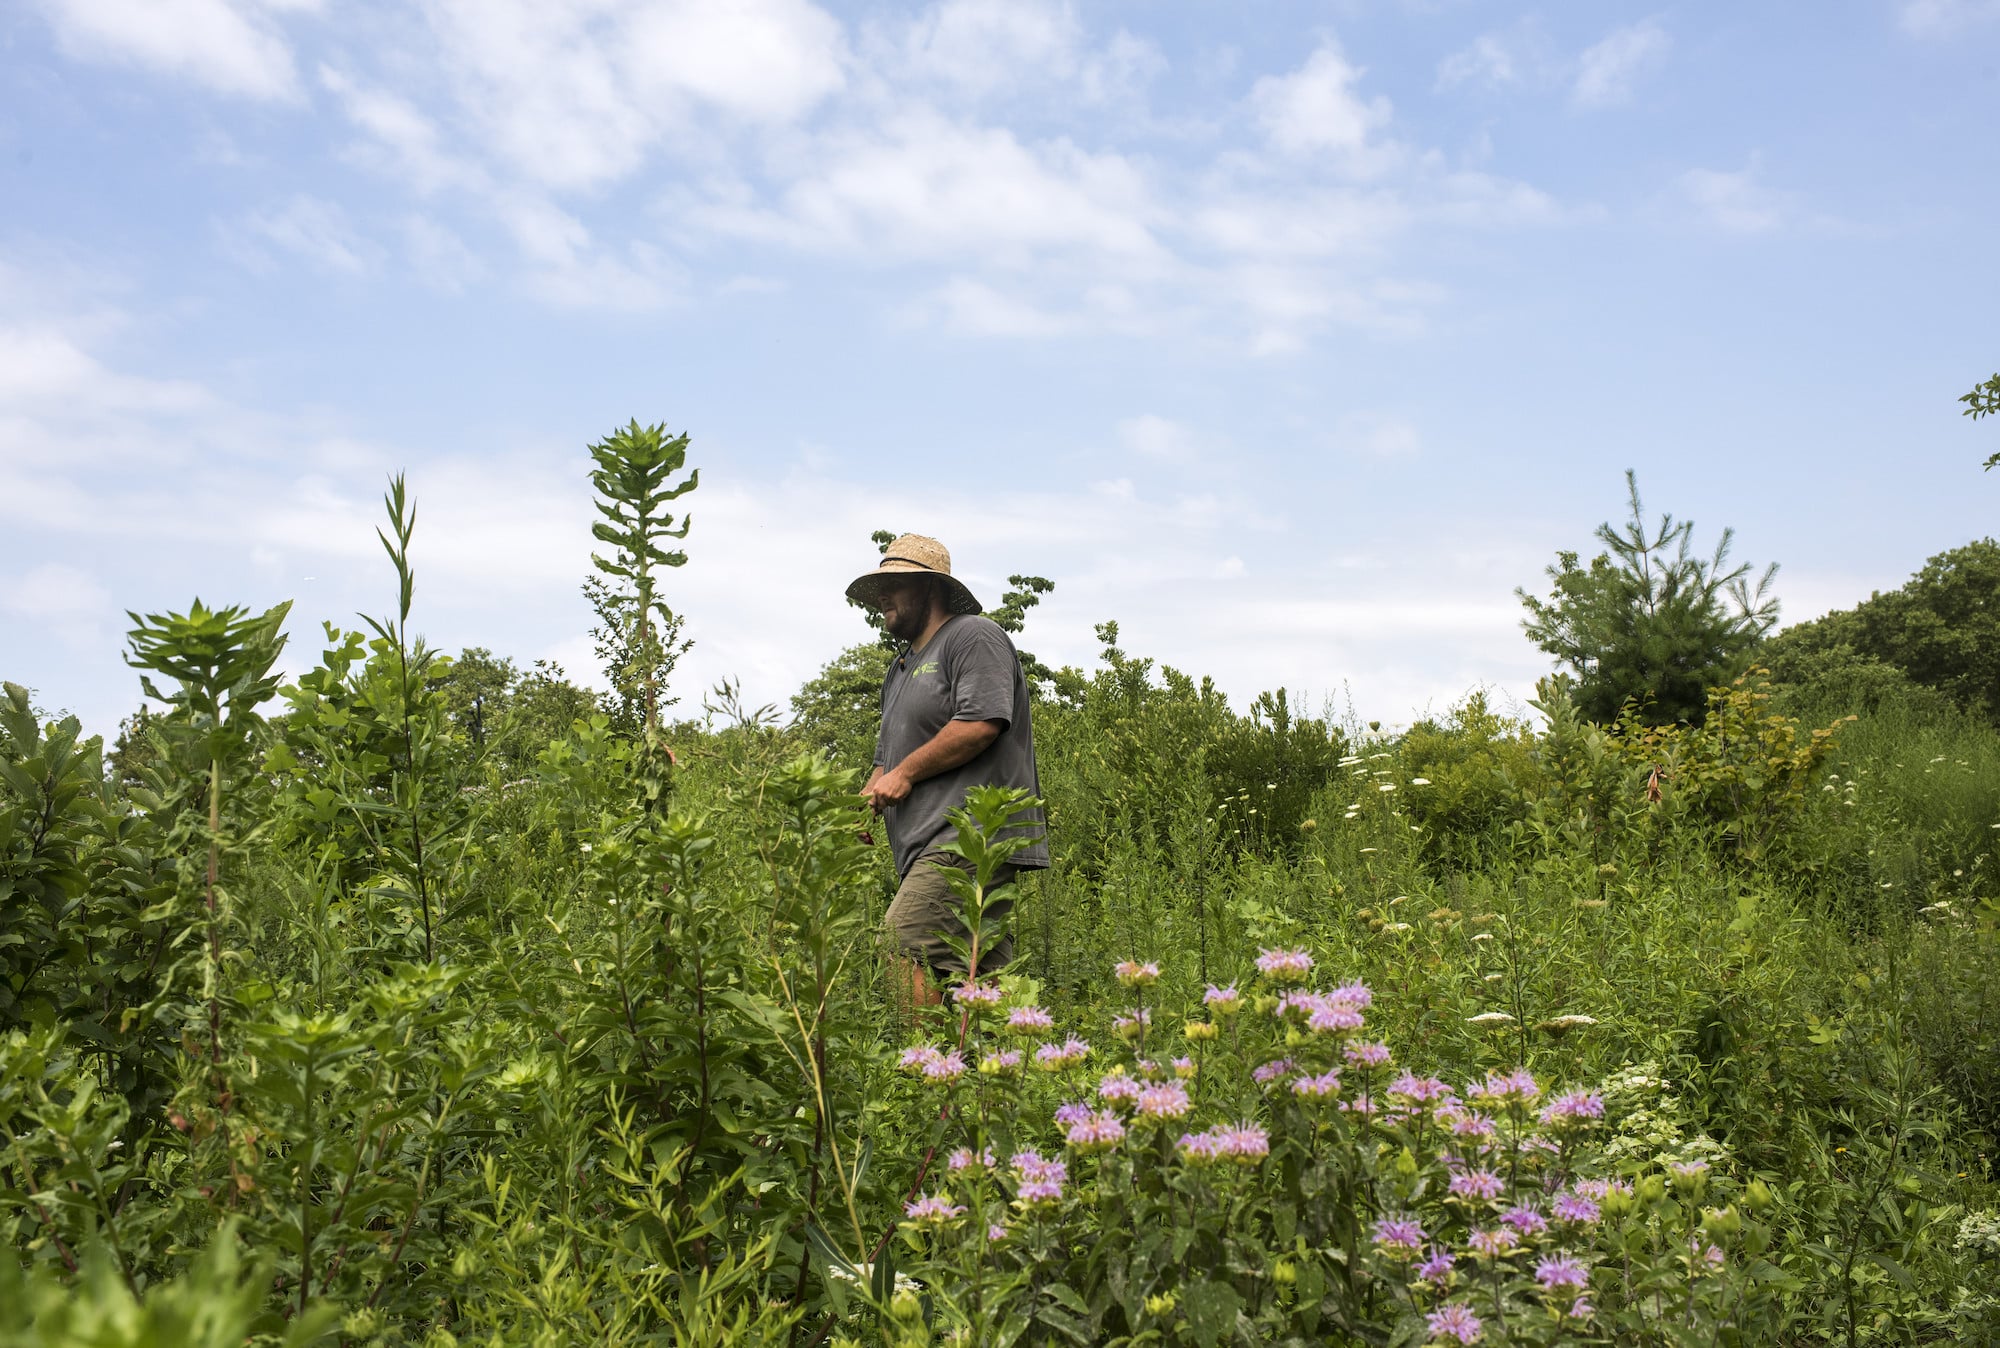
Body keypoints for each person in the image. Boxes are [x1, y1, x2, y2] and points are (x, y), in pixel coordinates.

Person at [847, 534, 1048, 1006]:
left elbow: (981, 723)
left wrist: (906, 774)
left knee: (900, 945)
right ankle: (1006, 1052)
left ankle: (922, 1055)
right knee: (976, 987)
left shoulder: (972, 636)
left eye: (894, 584)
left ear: (930, 588)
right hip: (923, 847)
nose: (883, 597)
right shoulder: (899, 670)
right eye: (879, 586)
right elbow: (886, 761)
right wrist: (858, 809)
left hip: (968, 836)